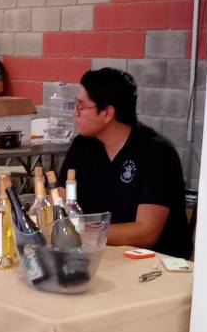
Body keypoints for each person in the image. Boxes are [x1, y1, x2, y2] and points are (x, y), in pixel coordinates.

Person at [57, 67, 189, 257]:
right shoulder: (83, 145)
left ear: (107, 113)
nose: (74, 113)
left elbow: (146, 232)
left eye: (81, 106)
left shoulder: (157, 153)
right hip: (98, 254)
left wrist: (82, 233)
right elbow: (61, 201)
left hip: (152, 262)